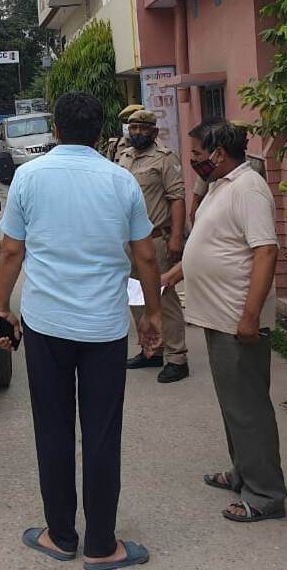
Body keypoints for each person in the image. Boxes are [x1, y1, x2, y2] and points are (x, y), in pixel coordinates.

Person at [0, 91, 162, 568]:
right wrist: (152, 314)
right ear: (98, 131)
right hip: (105, 327)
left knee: (53, 428)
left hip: (47, 324)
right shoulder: (121, 180)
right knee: (103, 432)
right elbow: (145, 255)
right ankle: (103, 545)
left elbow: (11, 251)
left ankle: (61, 535)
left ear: (57, 130)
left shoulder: (28, 177)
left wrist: (2, 306)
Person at [161, 119, 287, 522]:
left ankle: (265, 495)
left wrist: (250, 317)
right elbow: (213, 244)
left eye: (197, 154)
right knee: (234, 406)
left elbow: (266, 251)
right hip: (218, 318)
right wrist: (173, 275)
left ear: (218, 153)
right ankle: (242, 472)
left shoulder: (249, 189)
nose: (194, 161)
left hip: (237, 320)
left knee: (249, 409)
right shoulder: (221, 185)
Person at [116, 108, 189, 381]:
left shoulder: (165, 159)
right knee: (136, 296)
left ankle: (176, 356)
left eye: (142, 129)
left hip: (157, 239)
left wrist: (176, 237)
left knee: (163, 296)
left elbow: (177, 198)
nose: (136, 133)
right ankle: (151, 350)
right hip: (129, 241)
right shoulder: (123, 156)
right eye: (133, 129)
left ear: (154, 132)